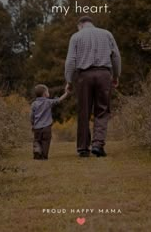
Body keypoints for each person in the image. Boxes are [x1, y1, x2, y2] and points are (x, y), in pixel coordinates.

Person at [65, 16, 121, 157]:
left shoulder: (76, 37)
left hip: (84, 76)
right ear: (91, 23)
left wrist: (69, 81)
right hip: (104, 74)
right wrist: (115, 76)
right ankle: (97, 144)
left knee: (83, 111)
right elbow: (116, 57)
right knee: (102, 110)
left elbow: (71, 60)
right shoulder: (107, 34)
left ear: (80, 25)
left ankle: (83, 148)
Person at [30, 84, 69, 160]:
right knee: (45, 142)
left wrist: (32, 124)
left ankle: (37, 150)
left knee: (37, 141)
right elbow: (59, 100)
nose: (49, 93)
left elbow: (31, 116)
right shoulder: (48, 102)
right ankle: (44, 156)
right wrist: (66, 93)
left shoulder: (34, 104)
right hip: (46, 128)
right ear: (45, 94)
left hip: (37, 128)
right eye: (47, 91)